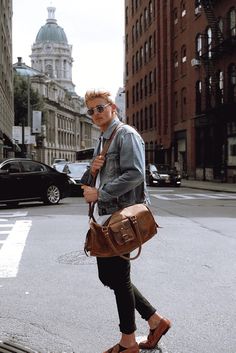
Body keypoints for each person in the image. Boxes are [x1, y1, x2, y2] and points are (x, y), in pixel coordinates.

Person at [82, 89, 171, 353]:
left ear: (113, 108)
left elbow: (134, 174)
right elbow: (94, 178)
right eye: (91, 111)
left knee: (118, 279)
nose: (96, 114)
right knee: (109, 277)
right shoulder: (102, 140)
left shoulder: (126, 135)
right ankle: (156, 321)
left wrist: (101, 193)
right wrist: (92, 170)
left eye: (100, 108)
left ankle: (128, 342)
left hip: (122, 218)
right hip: (106, 216)